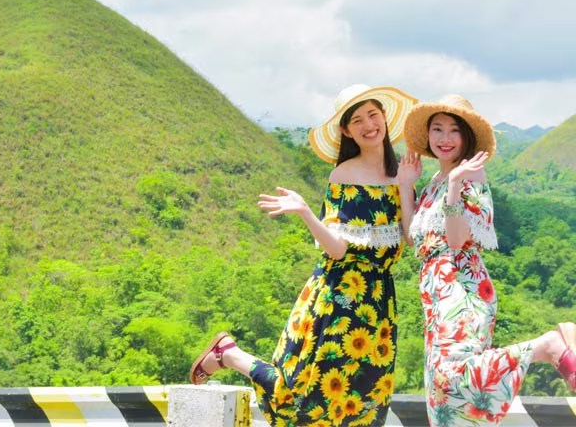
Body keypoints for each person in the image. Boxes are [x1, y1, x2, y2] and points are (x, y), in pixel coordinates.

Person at [189, 84, 418, 427]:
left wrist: (406, 185)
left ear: (384, 117)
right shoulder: (344, 175)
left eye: (373, 115)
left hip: (379, 302)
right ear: (346, 131)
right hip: (337, 296)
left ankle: (228, 353)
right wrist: (306, 213)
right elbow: (337, 249)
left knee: (366, 403)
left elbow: (411, 239)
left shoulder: (403, 174)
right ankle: (230, 355)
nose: (368, 125)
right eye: (357, 120)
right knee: (300, 395)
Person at [397, 94, 576, 426]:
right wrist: (405, 187)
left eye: (454, 130)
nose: (445, 138)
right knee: (441, 394)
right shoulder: (434, 182)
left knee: (453, 376)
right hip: (435, 295)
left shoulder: (471, 177)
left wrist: (455, 185)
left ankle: (546, 347)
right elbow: (414, 239)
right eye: (438, 129)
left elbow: (455, 240)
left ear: (466, 137)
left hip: (462, 290)